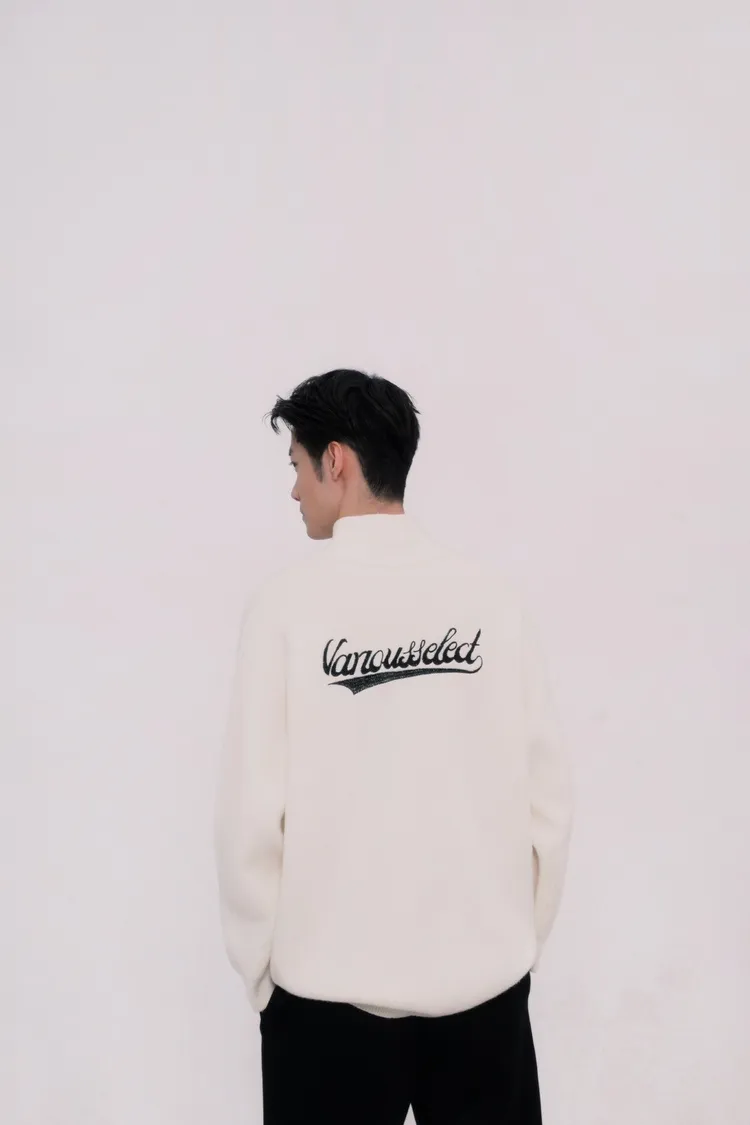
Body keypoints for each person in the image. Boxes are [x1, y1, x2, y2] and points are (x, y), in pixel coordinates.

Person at [214, 368, 573, 1124]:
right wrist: (514, 945)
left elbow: (250, 816)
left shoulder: (284, 608)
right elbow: (548, 802)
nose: (293, 490)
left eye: (296, 465)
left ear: (335, 461)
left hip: (324, 1004)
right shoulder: (493, 601)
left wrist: (264, 977)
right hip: (485, 995)